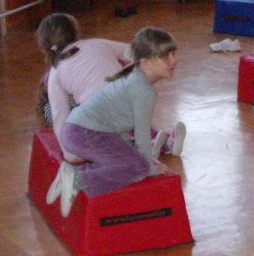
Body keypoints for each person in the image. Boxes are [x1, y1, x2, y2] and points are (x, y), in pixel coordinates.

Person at [48, 28, 179, 217]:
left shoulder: (133, 77)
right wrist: (148, 167)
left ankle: (70, 174)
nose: (174, 60)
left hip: (77, 131)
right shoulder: (143, 90)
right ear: (146, 62)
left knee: (124, 162)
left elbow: (115, 123)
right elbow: (142, 135)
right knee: (138, 167)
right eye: (166, 56)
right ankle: (79, 179)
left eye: (174, 53)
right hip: (83, 134)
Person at [36, 13, 184, 157]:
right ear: (75, 32)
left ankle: (140, 146)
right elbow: (131, 51)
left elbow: (59, 115)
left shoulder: (55, 73)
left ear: (45, 46)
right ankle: (167, 142)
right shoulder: (96, 43)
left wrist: (68, 151)